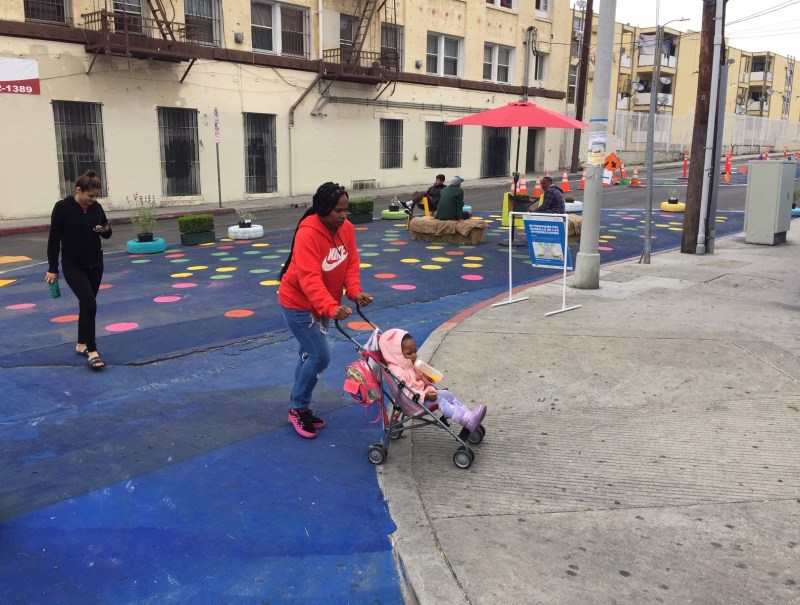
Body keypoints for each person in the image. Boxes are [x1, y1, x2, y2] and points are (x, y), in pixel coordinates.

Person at [278, 182, 374, 439]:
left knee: (308, 355)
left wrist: (354, 292)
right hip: (298, 303)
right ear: (322, 210)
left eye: (346, 210)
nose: (344, 216)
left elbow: (350, 264)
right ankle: (298, 407)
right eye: (337, 211)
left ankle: (297, 406)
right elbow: (309, 278)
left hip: (323, 305)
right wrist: (330, 307)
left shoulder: (347, 229)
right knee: (320, 356)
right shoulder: (307, 233)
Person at [45, 169, 112, 370]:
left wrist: (105, 230)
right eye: (90, 196)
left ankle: (81, 344)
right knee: (90, 304)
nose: (93, 199)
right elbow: (54, 239)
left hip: (96, 264)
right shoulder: (62, 208)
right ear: (78, 190)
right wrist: (52, 267)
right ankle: (92, 350)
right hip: (73, 265)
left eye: (97, 196)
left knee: (87, 305)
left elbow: (107, 232)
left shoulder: (96, 208)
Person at [378, 328, 486, 433]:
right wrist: (425, 395)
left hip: (425, 396)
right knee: (440, 401)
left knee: (448, 394)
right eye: (409, 353)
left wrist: (426, 374)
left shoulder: (409, 364)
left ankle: (469, 416)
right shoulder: (396, 371)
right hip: (415, 404)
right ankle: (467, 421)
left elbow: (420, 380)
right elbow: (406, 392)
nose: (414, 355)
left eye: (415, 351)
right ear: (397, 355)